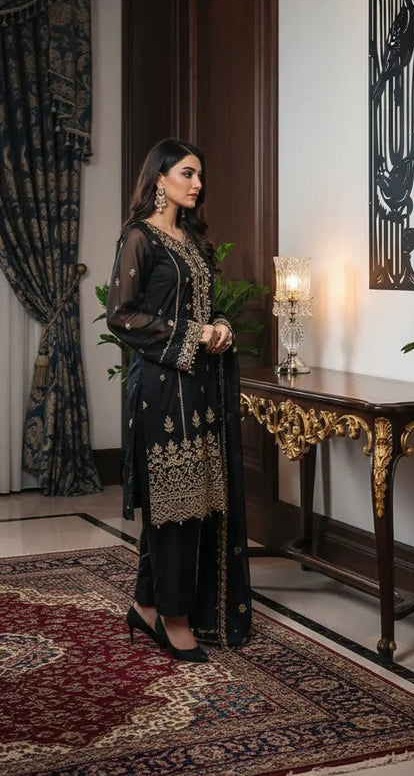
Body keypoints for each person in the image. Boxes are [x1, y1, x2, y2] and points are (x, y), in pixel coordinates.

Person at [107, 138, 251, 662]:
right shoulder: (139, 237)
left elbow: (205, 307)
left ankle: (147, 608)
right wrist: (193, 335)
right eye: (187, 173)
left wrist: (222, 328)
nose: (197, 184)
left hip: (201, 388)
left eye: (200, 176)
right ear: (159, 177)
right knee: (174, 503)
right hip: (162, 391)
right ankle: (173, 617)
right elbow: (120, 315)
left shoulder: (192, 240)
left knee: (196, 500)